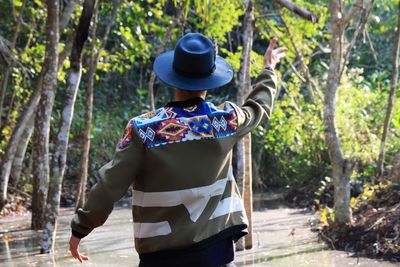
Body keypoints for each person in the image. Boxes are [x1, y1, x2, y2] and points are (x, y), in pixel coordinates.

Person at [69, 32, 287, 267]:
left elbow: (110, 185)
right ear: (210, 80)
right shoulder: (225, 121)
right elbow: (258, 108)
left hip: (161, 259)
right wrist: (268, 70)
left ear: (171, 77)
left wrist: (81, 228)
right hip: (215, 255)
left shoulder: (143, 129)